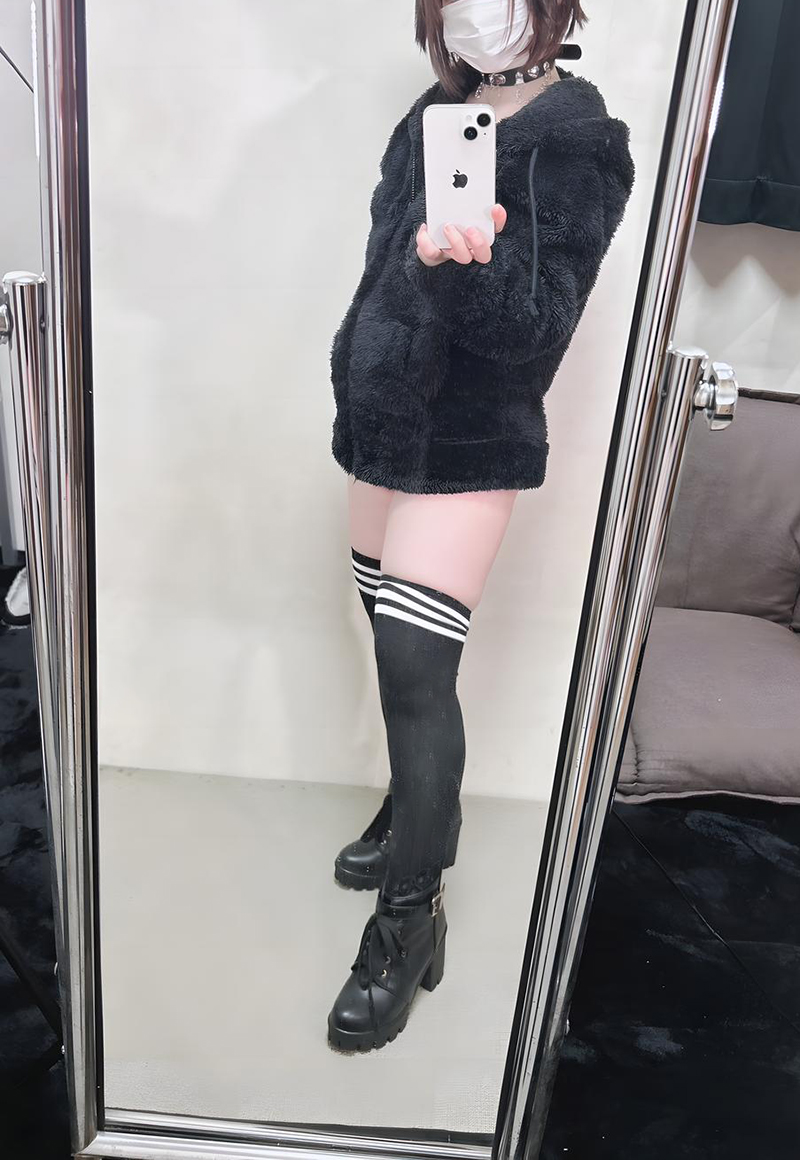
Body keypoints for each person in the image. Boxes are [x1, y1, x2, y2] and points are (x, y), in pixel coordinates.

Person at [327, 0, 634, 1052]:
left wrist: (462, 261)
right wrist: (360, 356)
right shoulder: (436, 111)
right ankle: (413, 813)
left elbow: (538, 325)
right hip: (381, 421)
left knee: (418, 672)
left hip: (465, 438)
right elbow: (381, 266)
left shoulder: (581, 140)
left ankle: (408, 924)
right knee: (387, 643)